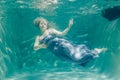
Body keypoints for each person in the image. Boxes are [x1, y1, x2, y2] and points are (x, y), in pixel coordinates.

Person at [33, 17, 107, 66]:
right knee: (77, 61)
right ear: (38, 25)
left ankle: (96, 51)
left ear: (47, 25)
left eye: (44, 23)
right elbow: (35, 48)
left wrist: (69, 26)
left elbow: (62, 34)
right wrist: (40, 46)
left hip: (62, 45)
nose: (43, 25)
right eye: (41, 23)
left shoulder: (50, 30)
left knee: (77, 58)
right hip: (57, 52)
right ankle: (95, 51)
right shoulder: (38, 37)